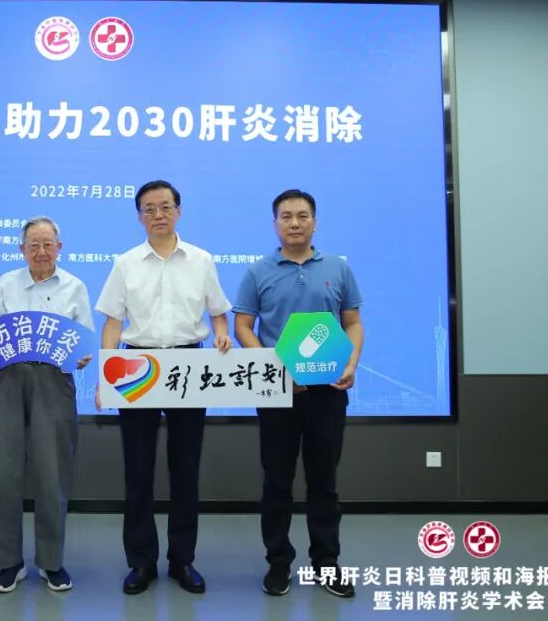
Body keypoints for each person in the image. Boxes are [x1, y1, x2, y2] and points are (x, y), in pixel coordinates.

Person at [94, 180, 232, 595]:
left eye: (165, 207)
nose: (158, 215)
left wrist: (221, 334)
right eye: (149, 209)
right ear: (139, 216)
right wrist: (105, 377)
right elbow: (113, 323)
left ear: (178, 211)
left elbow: (218, 312)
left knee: (185, 469)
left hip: (188, 363)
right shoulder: (126, 263)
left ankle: (182, 560)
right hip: (137, 365)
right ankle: (141, 562)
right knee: (138, 470)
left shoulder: (201, 260)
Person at [232, 189, 364, 599]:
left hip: (328, 391)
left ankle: (326, 563)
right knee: (277, 481)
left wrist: (351, 363)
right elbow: (243, 327)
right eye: (286, 216)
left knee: (324, 482)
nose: (294, 222)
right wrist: (274, 368)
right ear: (275, 224)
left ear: (315, 222)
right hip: (278, 392)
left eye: (302, 215)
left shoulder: (338, 268)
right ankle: (278, 563)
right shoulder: (258, 271)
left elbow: (352, 322)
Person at [0, 217, 93, 594]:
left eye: (48, 244)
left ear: (59, 248)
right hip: (8, 380)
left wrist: (81, 357)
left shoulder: (75, 287)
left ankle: (51, 562)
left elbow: (83, 343)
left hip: (53, 381)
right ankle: (8, 562)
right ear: (22, 250)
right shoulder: (5, 283)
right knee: (5, 475)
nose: (41, 251)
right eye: (34, 245)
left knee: (51, 474)